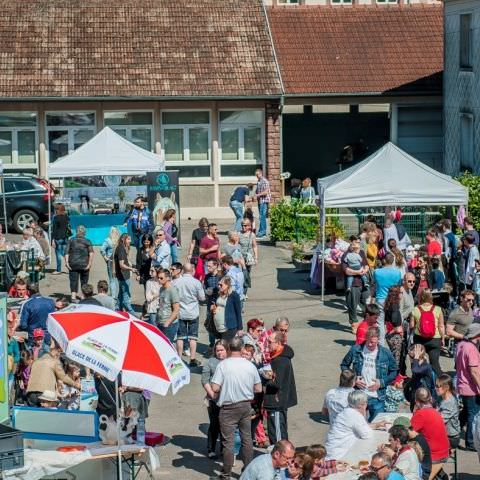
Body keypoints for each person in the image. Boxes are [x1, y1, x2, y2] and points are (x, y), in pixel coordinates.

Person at [210, 337, 262, 480]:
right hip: (245, 405)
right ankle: (247, 471)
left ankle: (226, 474)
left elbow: (215, 387)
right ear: (242, 349)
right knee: (247, 439)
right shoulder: (249, 365)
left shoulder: (223, 365)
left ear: (228, 349)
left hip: (228, 408)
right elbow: (258, 388)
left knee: (228, 442)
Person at [341, 326, 398, 421]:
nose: (370, 345)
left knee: (377, 425)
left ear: (378, 340)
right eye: (368, 341)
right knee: (356, 425)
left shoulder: (385, 353)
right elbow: (344, 365)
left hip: (377, 397)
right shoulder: (355, 350)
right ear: (365, 338)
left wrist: (382, 382)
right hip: (358, 395)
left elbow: (394, 371)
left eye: (373, 342)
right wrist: (354, 379)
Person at [325, 390, 384, 460]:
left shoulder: (346, 411)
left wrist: (376, 425)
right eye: (365, 403)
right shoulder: (354, 415)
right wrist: (363, 413)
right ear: (362, 404)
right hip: (339, 455)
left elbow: (361, 426)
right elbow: (367, 434)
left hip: (332, 451)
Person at [264, 331, 297, 444]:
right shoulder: (278, 357)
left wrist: (264, 379)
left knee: (278, 436)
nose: (267, 344)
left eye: (269, 342)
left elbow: (276, 383)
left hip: (277, 402)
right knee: (276, 431)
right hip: (277, 401)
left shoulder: (281, 360)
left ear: (278, 343)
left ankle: (281, 459)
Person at [410, 388, 449, 480]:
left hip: (434, 455)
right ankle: (440, 474)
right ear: (430, 398)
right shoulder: (435, 411)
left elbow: (409, 433)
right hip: (444, 451)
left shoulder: (420, 414)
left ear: (416, 401)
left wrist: (415, 412)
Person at [454, 323, 480, 450]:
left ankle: (453, 433)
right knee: (473, 416)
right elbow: (474, 371)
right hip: (471, 387)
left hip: (462, 384)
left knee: (465, 413)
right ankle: (471, 442)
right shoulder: (472, 349)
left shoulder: (460, 345)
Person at [174, 263, 206, 367]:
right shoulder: (196, 283)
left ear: (183, 270)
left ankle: (179, 358)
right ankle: (192, 359)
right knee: (193, 337)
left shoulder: (176, 282)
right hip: (193, 312)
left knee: (180, 337)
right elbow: (202, 298)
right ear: (192, 270)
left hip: (180, 312)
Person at [202, 339, 228, 459]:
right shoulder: (210, 362)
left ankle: (224, 449)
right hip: (214, 399)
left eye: (222, 350)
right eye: (217, 350)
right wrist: (212, 394)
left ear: (227, 350)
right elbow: (205, 379)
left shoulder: (231, 362)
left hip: (228, 399)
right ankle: (211, 448)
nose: (219, 353)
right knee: (215, 424)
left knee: (226, 426)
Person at [410, 289, 444, 376]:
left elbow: (411, 326)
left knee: (418, 361)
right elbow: (441, 326)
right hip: (435, 339)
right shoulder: (438, 309)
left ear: (420, 297)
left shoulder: (415, 309)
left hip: (420, 339)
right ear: (431, 297)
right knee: (434, 363)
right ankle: (440, 384)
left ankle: (418, 382)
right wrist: (443, 338)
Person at [342, 236, 369, 332]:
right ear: (352, 243)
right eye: (357, 242)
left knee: (367, 302)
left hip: (363, 282)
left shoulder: (361, 252)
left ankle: (367, 323)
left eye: (359, 242)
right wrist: (358, 272)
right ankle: (354, 323)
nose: (359, 244)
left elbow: (366, 264)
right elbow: (346, 270)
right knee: (352, 304)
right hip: (353, 284)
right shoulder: (346, 255)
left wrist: (365, 270)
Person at [373, 253, 402, 345]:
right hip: (393, 299)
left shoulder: (377, 272)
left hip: (380, 298)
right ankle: (394, 343)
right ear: (393, 261)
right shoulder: (398, 272)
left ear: (384, 260)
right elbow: (399, 286)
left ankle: (381, 344)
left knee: (380, 322)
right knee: (394, 321)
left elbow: (373, 284)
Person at [65, 225, 94, 302]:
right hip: (84, 264)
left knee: (73, 280)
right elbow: (91, 253)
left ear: (76, 232)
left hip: (73, 264)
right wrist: (89, 264)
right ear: (84, 232)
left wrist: (67, 263)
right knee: (84, 281)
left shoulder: (71, 240)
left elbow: (66, 252)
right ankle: (83, 296)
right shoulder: (88, 241)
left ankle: (73, 297)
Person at [405, 344, 436, 412]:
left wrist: (416, 357)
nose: (409, 352)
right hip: (416, 397)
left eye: (411, 350)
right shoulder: (416, 364)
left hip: (423, 400)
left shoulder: (426, 366)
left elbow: (415, 370)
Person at [212, 276, 242, 341]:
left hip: (229, 327)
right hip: (218, 326)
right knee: (221, 346)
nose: (219, 286)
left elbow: (238, 312)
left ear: (227, 285)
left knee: (226, 347)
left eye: (221, 285)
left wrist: (240, 328)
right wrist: (213, 308)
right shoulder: (219, 294)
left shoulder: (234, 295)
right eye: (218, 284)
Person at [114, 233, 137, 316]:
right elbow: (122, 265)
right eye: (128, 239)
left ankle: (117, 312)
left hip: (122, 276)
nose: (130, 241)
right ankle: (135, 316)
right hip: (124, 276)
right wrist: (131, 269)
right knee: (126, 298)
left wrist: (131, 265)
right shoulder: (121, 249)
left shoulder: (121, 248)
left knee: (120, 297)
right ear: (123, 239)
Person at [436, 374, 461, 450]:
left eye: (438, 386)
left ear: (446, 387)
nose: (435, 388)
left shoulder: (449, 402)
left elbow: (440, 420)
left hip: (451, 438)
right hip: (446, 434)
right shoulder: (444, 398)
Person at [156, 269, 180, 343]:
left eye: (161, 278)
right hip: (160, 322)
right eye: (158, 278)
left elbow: (176, 310)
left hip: (170, 324)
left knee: (168, 346)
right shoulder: (161, 289)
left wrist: (167, 323)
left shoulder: (172, 290)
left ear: (167, 278)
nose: (159, 280)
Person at [384, 286, 404, 368]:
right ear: (397, 294)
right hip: (395, 336)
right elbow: (394, 320)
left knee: (393, 357)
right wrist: (397, 329)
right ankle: (393, 378)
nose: (402, 295)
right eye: (402, 293)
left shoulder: (389, 303)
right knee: (396, 360)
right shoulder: (395, 306)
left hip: (390, 335)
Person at [239, 218, 258, 294]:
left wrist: (256, 258)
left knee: (246, 275)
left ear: (249, 226)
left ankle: (244, 292)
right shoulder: (238, 234)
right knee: (240, 275)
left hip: (248, 259)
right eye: (242, 225)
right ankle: (240, 291)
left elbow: (254, 246)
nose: (243, 227)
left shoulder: (252, 235)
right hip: (240, 258)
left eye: (245, 225)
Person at [51, 203, 70, 274]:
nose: (55, 210)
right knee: (65, 253)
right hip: (65, 237)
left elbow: (54, 230)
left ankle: (58, 270)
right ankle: (69, 267)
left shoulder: (56, 218)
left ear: (58, 209)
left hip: (58, 237)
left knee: (58, 254)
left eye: (56, 209)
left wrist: (52, 240)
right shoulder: (66, 217)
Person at [254, 168, 271, 239]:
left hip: (264, 201)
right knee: (261, 216)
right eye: (256, 175)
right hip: (260, 201)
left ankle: (263, 233)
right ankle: (261, 232)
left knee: (262, 217)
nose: (257, 176)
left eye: (257, 175)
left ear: (261, 174)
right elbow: (257, 191)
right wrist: (255, 195)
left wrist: (257, 195)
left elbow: (266, 192)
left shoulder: (265, 181)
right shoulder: (259, 181)